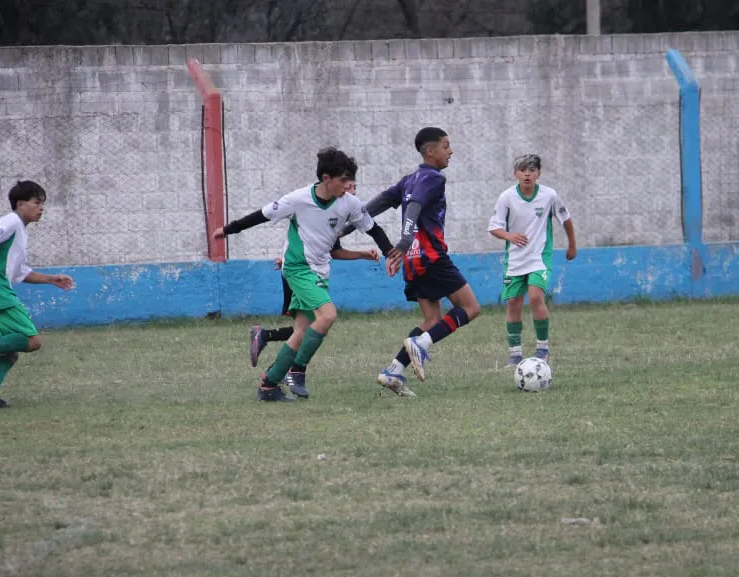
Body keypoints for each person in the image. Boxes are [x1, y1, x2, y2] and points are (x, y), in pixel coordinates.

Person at [212, 147, 394, 402]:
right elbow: (262, 215)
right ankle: (297, 370)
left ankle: (268, 386)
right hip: (297, 268)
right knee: (327, 315)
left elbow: (373, 229)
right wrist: (229, 229)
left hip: (320, 270)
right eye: (343, 180)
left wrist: (390, 253)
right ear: (326, 178)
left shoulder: (349, 203)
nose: (348, 186)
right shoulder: (298, 199)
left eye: (350, 180)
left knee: (300, 332)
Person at [357, 127, 481, 397]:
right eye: (446, 146)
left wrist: (342, 229)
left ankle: (393, 371)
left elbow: (372, 207)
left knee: (432, 319)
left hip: (413, 260)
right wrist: (403, 240)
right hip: (431, 256)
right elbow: (414, 206)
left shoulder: (408, 180)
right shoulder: (433, 178)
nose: (450, 151)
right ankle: (422, 344)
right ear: (431, 151)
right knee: (470, 308)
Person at [0, 181, 75, 409]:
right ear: (21, 204)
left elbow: (21, 273)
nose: (41, 208)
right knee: (32, 341)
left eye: (42, 204)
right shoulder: (11, 221)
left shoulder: (20, 231)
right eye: (37, 202)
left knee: (10, 352)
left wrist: (51, 279)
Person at [488, 154, 577, 366]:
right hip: (515, 260)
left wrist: (572, 244)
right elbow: (494, 227)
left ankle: (542, 350)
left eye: (531, 170)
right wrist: (509, 236)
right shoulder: (507, 197)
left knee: (536, 297)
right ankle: (515, 354)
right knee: (513, 303)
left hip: (539, 257)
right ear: (515, 174)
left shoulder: (549, 196)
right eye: (523, 170)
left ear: (538, 173)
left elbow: (565, 219)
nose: (527, 174)